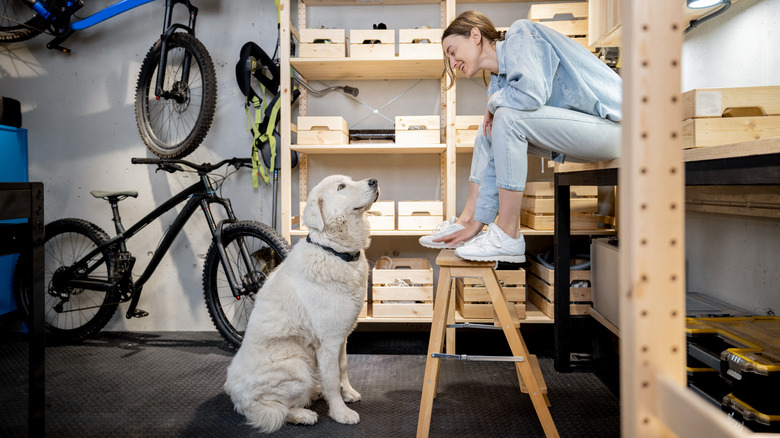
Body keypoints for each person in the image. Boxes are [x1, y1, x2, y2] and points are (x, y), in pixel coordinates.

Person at [419, 10, 622, 263]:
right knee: (487, 131)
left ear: (474, 36)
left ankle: (508, 233)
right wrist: (478, 222)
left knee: (506, 117)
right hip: (589, 136)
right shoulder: (499, 82)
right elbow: (493, 160)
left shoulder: (520, 33)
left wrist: (494, 102)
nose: (453, 63)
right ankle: (469, 220)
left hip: (620, 127)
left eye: (452, 51)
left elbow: (531, 94)